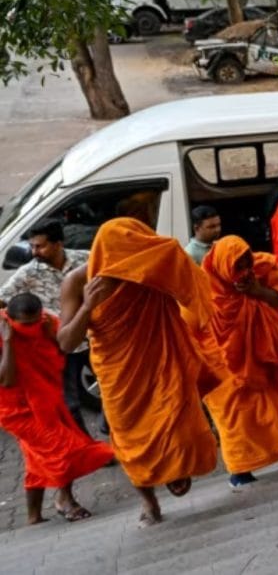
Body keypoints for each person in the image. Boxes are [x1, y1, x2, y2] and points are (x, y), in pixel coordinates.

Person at [57, 206, 218, 527]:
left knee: (177, 421)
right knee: (130, 441)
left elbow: (185, 280)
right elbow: (65, 342)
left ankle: (176, 466)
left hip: (159, 360)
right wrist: (89, 306)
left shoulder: (146, 269)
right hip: (118, 374)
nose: (127, 263)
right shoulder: (77, 282)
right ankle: (149, 503)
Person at [0, 293, 114, 526]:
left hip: (48, 398)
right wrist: (10, 341)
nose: (32, 327)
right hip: (15, 411)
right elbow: (7, 380)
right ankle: (65, 500)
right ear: (10, 320)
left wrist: (50, 331)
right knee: (63, 449)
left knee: (37, 459)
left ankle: (33, 516)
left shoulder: (47, 322)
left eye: (35, 321)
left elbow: (62, 351)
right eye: (25, 325)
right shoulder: (3, 333)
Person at [199, 235, 278, 490]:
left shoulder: (262, 269)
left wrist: (258, 292)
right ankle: (239, 470)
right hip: (222, 364)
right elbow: (193, 327)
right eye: (238, 268)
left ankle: (268, 454)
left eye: (247, 264)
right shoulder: (202, 288)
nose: (244, 272)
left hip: (257, 356)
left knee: (265, 410)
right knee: (233, 417)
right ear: (222, 267)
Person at [0, 219, 91, 434]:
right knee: (70, 404)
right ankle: (87, 448)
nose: (34, 251)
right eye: (32, 246)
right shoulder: (27, 273)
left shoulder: (85, 259)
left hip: (93, 338)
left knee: (114, 390)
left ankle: (116, 434)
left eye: (40, 246)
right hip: (61, 345)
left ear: (58, 244)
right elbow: (2, 299)